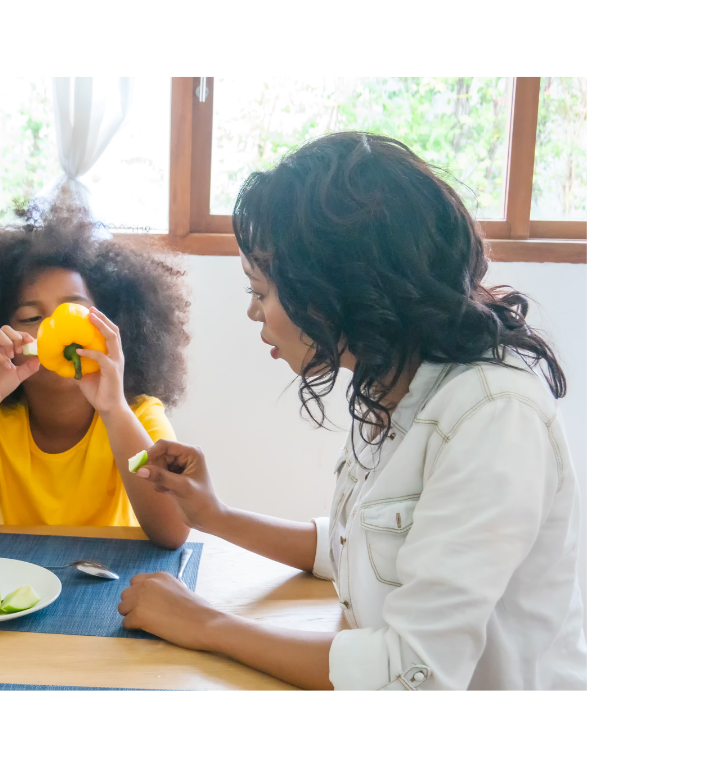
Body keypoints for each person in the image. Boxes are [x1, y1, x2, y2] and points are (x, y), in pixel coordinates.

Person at [118, 132, 587, 690]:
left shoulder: (493, 417)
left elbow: (414, 675)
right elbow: (355, 548)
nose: (252, 312)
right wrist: (215, 516)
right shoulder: (396, 378)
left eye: (261, 291)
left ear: (337, 288)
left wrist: (205, 624)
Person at [0, 205, 191, 549]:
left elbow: (173, 532)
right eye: (31, 317)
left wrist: (114, 411)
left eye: (74, 311)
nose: (54, 328)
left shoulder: (138, 415)